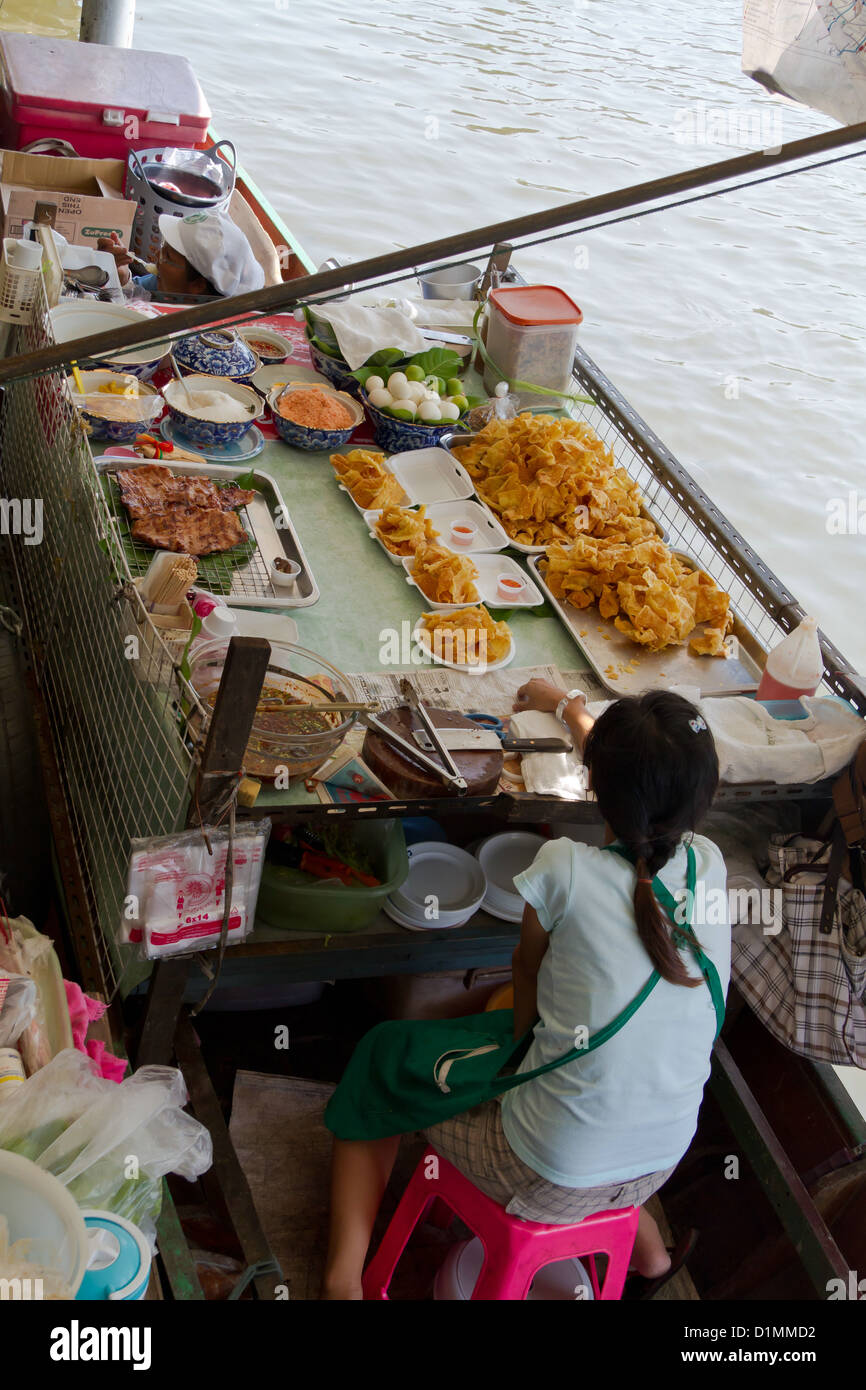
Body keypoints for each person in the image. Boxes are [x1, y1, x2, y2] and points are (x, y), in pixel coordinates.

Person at [322, 684, 730, 1300]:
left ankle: (341, 1282)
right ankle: (647, 1255)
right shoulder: (712, 864)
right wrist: (567, 706)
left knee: (382, 1059)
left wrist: (502, 1066)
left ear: (593, 786)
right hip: (656, 1164)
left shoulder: (563, 868)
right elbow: (637, 776)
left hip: (540, 1170)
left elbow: (527, 986)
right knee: (607, 1087)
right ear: (707, 795)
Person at [97, 208, 265, 302]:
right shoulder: (166, 283)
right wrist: (121, 278)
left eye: (168, 256)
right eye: (163, 246)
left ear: (198, 285)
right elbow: (137, 291)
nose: (157, 255)